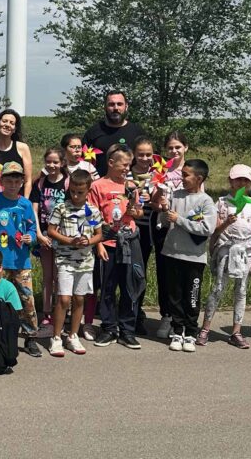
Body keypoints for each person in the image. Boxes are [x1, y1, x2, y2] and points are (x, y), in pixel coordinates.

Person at [0, 161, 40, 357]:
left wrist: (31, 237)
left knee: (26, 299)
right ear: (1, 181)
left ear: (22, 182)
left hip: (21, 261)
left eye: (17, 181)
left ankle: (30, 336)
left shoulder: (25, 204)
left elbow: (32, 227)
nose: (13, 185)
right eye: (9, 181)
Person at [153, 158, 216, 353]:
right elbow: (164, 222)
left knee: (192, 297)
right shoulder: (176, 195)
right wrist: (164, 211)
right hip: (172, 254)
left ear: (199, 178)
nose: (182, 178)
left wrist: (179, 219)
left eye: (186, 175)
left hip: (194, 258)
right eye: (182, 174)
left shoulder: (206, 201)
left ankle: (190, 332)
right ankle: (177, 330)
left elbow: (207, 228)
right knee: (174, 296)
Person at [197, 164, 251, 349]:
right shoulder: (222, 203)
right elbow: (215, 231)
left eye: (246, 180)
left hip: (246, 250)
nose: (241, 183)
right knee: (218, 288)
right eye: (238, 179)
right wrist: (227, 222)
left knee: (241, 290)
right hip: (226, 249)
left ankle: (236, 332)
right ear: (230, 181)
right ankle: (205, 329)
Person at [90, 145, 146, 349]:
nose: (127, 169)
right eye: (123, 165)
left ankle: (127, 330)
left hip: (129, 242)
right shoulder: (97, 186)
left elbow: (139, 212)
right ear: (111, 163)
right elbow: (92, 217)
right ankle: (109, 328)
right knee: (107, 287)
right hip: (108, 243)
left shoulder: (131, 186)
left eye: (129, 165)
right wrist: (98, 244)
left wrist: (134, 211)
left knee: (130, 286)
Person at [47, 169, 102, 357]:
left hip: (85, 261)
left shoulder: (92, 211)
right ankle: (56, 337)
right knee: (64, 299)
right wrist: (69, 241)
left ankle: (73, 335)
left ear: (88, 190)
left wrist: (89, 241)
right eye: (72, 192)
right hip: (65, 260)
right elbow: (51, 231)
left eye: (80, 192)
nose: (76, 195)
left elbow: (99, 234)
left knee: (79, 299)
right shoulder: (61, 208)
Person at [153, 130, 190, 339]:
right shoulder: (160, 171)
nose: (174, 151)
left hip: (185, 227)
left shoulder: (192, 169)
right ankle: (166, 315)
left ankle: (182, 318)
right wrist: (160, 200)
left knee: (183, 273)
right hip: (164, 227)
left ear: (186, 148)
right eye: (170, 148)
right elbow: (153, 201)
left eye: (178, 147)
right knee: (165, 272)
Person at [29, 146, 67, 329]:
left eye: (55, 162)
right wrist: (38, 234)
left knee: (60, 276)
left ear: (62, 163)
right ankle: (46, 313)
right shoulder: (40, 183)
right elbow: (34, 210)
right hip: (44, 235)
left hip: (63, 236)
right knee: (47, 276)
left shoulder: (68, 183)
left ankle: (61, 310)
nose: (52, 165)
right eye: (49, 162)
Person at [129, 136, 157, 335]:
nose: (145, 158)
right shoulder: (126, 173)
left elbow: (162, 202)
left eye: (148, 154)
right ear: (134, 155)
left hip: (147, 231)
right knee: (123, 274)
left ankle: (137, 314)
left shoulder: (157, 176)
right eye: (141, 154)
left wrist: (153, 198)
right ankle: (123, 313)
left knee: (140, 273)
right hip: (128, 228)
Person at [83, 90, 146, 178]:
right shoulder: (93, 132)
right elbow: (81, 160)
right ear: (105, 107)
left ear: (126, 107)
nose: (116, 108)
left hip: (131, 184)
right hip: (99, 183)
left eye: (119, 104)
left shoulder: (137, 132)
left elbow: (149, 158)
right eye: (111, 104)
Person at [0, 109, 33, 195]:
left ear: (15, 129)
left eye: (12, 123)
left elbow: (28, 180)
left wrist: (25, 200)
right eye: (4, 121)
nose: (7, 125)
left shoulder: (22, 148)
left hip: (17, 199)